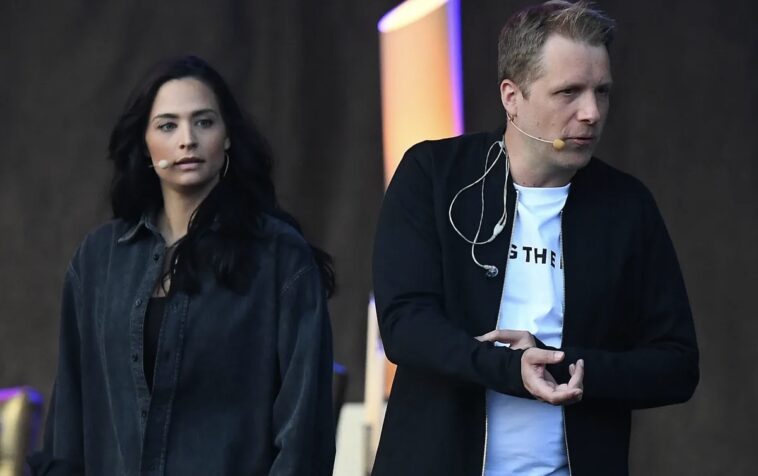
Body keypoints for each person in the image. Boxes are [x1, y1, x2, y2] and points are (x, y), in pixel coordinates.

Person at [371, 1, 699, 475]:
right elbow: (404, 326)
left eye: (602, 91)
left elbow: (676, 365)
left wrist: (563, 365)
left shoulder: (627, 206)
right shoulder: (435, 175)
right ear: (512, 96)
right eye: (568, 92)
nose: (591, 112)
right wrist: (510, 368)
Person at [31, 55, 335, 475]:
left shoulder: (279, 255)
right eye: (167, 125)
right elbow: (69, 419)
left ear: (227, 137)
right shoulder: (98, 259)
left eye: (204, 122)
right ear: (144, 144)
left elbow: (304, 433)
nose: (187, 140)